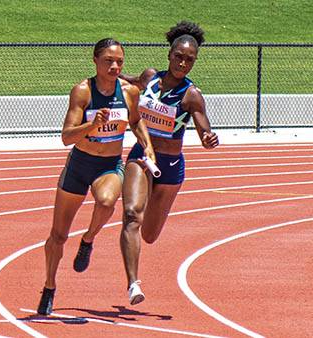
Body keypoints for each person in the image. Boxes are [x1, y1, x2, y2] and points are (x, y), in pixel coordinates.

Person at [37, 38, 155, 316]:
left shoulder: (129, 92)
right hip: (80, 164)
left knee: (106, 202)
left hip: (109, 164)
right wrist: (93, 125)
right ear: (95, 61)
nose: (115, 66)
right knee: (58, 235)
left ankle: (88, 239)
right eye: (108, 61)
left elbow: (136, 121)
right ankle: (50, 286)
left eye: (119, 62)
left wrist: (147, 144)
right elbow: (67, 137)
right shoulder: (82, 92)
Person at [119, 21, 219, 305]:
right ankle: (133, 285)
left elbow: (203, 128)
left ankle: (151, 198)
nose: (183, 63)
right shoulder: (151, 78)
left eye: (190, 60)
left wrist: (209, 138)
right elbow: (131, 81)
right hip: (143, 153)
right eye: (179, 56)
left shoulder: (191, 95)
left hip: (171, 165)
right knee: (130, 215)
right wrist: (109, 76)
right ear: (169, 54)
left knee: (149, 234)